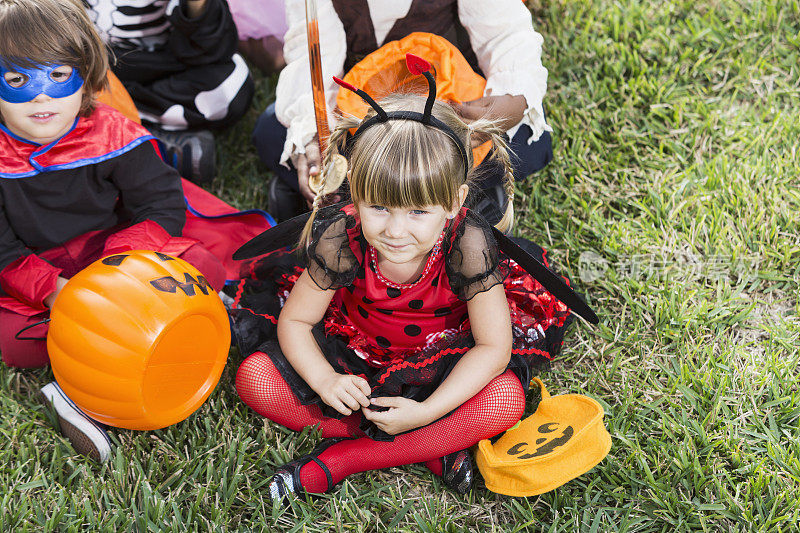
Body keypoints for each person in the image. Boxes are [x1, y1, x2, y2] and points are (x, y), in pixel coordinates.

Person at [231, 69, 576, 499]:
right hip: (351, 353)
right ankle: (431, 447)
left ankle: (344, 459)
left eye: (417, 212)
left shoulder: (466, 243)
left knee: (505, 399)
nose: (395, 230)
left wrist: (428, 409)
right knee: (255, 379)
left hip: (440, 363)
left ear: (453, 203)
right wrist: (324, 381)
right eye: (378, 206)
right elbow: (296, 322)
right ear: (355, 194)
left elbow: (493, 348)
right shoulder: (344, 235)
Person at [0, 0, 228, 461]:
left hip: (114, 253)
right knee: (14, 343)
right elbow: (1, 250)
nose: (40, 97)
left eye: (58, 75)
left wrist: (119, 269)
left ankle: (180, 324)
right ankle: (74, 394)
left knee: (204, 266)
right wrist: (56, 292)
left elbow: (159, 203)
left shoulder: (111, 134)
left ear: (85, 75)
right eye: (18, 80)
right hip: (41, 269)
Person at [253, 0, 552, 222]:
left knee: (529, 140)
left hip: (449, 109)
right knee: (273, 131)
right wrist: (311, 141)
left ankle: (467, 194)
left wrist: (508, 105)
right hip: (366, 116)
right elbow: (313, 62)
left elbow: (506, 37)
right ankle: (437, 202)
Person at [83, 0, 255, 184]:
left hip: (160, 65)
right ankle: (151, 142)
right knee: (59, 80)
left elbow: (211, 48)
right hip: (86, 67)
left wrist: (196, 5)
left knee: (233, 83)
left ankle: (112, 127)